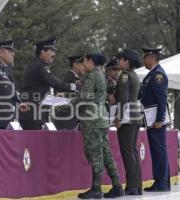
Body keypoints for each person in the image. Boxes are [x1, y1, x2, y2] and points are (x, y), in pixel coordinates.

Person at [75, 53, 124, 199]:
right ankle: (117, 186)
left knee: (95, 152)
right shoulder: (100, 73)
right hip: (101, 117)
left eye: (84, 61)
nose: (83, 64)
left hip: (92, 119)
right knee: (106, 152)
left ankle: (96, 188)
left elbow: (83, 96)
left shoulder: (92, 75)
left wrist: (63, 106)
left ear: (91, 61)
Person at [19, 37, 79, 130]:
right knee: (33, 143)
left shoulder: (37, 64)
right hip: (32, 114)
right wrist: (76, 86)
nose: (54, 54)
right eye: (51, 51)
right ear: (42, 52)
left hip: (34, 113)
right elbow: (56, 84)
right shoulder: (39, 66)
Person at [141, 47, 170, 191]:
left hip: (156, 120)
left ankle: (162, 183)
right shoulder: (151, 74)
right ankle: (161, 181)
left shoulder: (158, 74)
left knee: (159, 150)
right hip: (151, 119)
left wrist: (160, 119)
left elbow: (162, 99)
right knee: (157, 150)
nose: (143, 60)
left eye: (145, 57)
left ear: (152, 57)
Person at [0, 40, 29, 129]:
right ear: (0, 52)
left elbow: (10, 91)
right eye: (10, 51)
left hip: (7, 120)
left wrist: (19, 103)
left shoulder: (7, 70)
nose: (13, 54)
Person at [114, 49, 142, 195]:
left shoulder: (124, 75)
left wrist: (118, 117)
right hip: (136, 115)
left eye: (121, 59)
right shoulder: (134, 75)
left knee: (127, 151)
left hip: (127, 116)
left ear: (127, 62)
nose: (119, 61)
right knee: (133, 151)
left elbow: (124, 99)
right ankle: (137, 185)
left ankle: (132, 185)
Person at [53, 54, 85, 130]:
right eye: (82, 64)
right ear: (75, 64)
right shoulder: (69, 78)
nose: (84, 67)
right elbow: (60, 95)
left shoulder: (75, 78)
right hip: (66, 118)